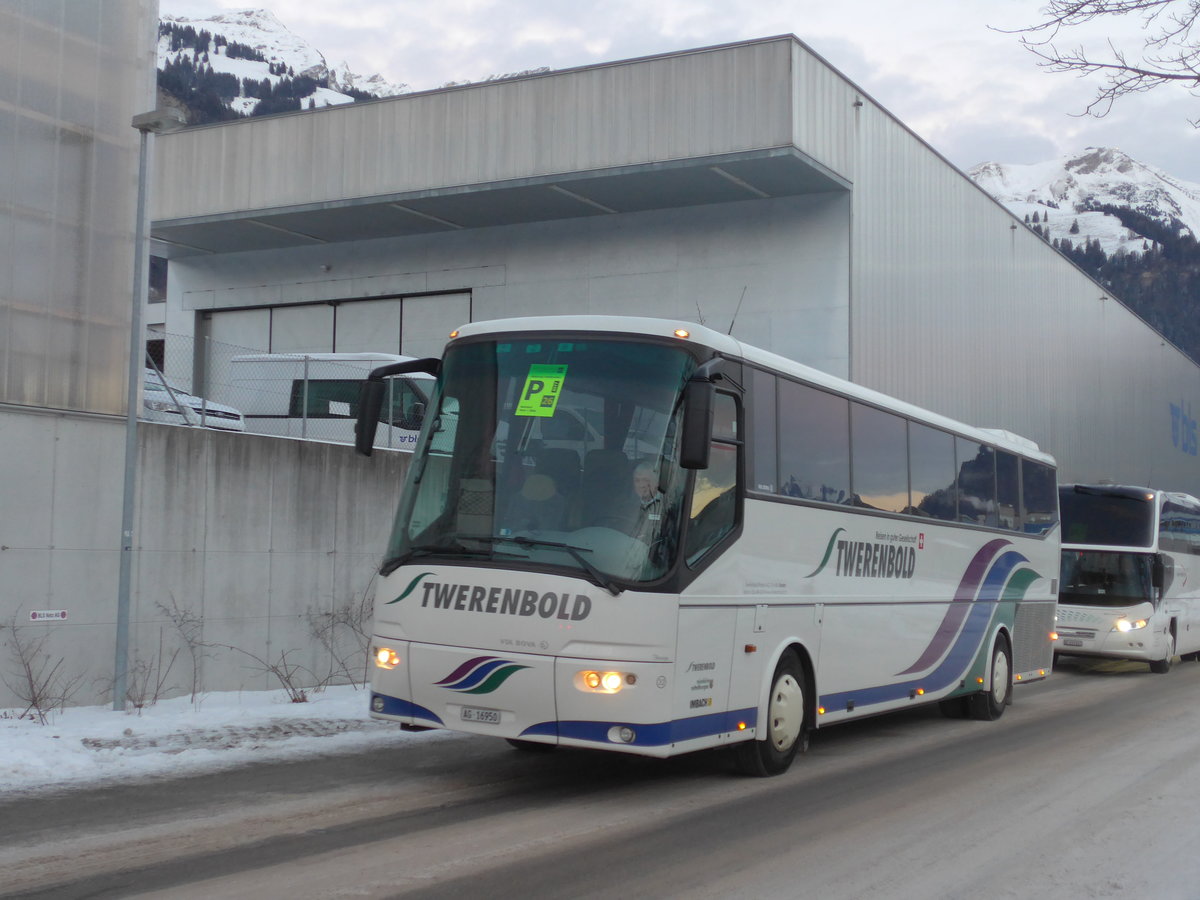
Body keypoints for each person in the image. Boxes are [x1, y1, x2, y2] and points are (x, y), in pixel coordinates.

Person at [631, 461, 663, 543]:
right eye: (637, 481)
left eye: (646, 480)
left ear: (656, 483)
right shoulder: (627, 505)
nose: (641, 485)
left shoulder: (666, 505)